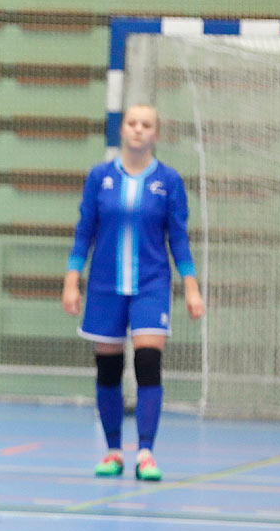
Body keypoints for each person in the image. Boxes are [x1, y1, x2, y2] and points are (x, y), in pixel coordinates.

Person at [62, 104, 205, 481]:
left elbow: (178, 237)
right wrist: (71, 278)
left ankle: (145, 453)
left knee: (147, 363)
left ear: (156, 134)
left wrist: (191, 286)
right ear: (121, 130)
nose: (138, 130)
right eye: (132, 123)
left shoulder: (169, 181)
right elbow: (84, 231)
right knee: (108, 369)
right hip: (106, 286)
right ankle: (112, 452)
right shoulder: (100, 177)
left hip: (151, 285)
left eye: (147, 125)